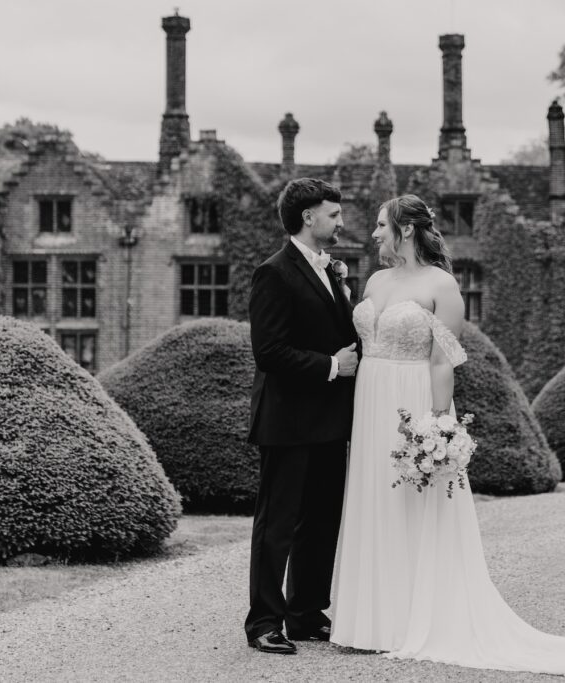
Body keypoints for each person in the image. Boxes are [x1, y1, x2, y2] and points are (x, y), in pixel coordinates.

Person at [329, 194, 565, 675]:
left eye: (381, 226)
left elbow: (443, 360)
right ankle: (372, 623)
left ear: (404, 229)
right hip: (369, 398)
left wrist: (438, 426)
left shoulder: (443, 285)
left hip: (412, 398)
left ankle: (413, 620)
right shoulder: (376, 280)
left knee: (416, 505)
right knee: (374, 500)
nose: (374, 234)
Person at [245, 178, 359, 655]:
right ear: (308, 217)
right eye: (333, 214)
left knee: (322, 521)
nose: (340, 222)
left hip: (330, 421)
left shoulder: (331, 271)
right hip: (288, 421)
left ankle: (306, 612)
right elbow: (269, 352)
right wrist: (333, 366)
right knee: (279, 524)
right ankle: (264, 622)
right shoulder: (274, 272)